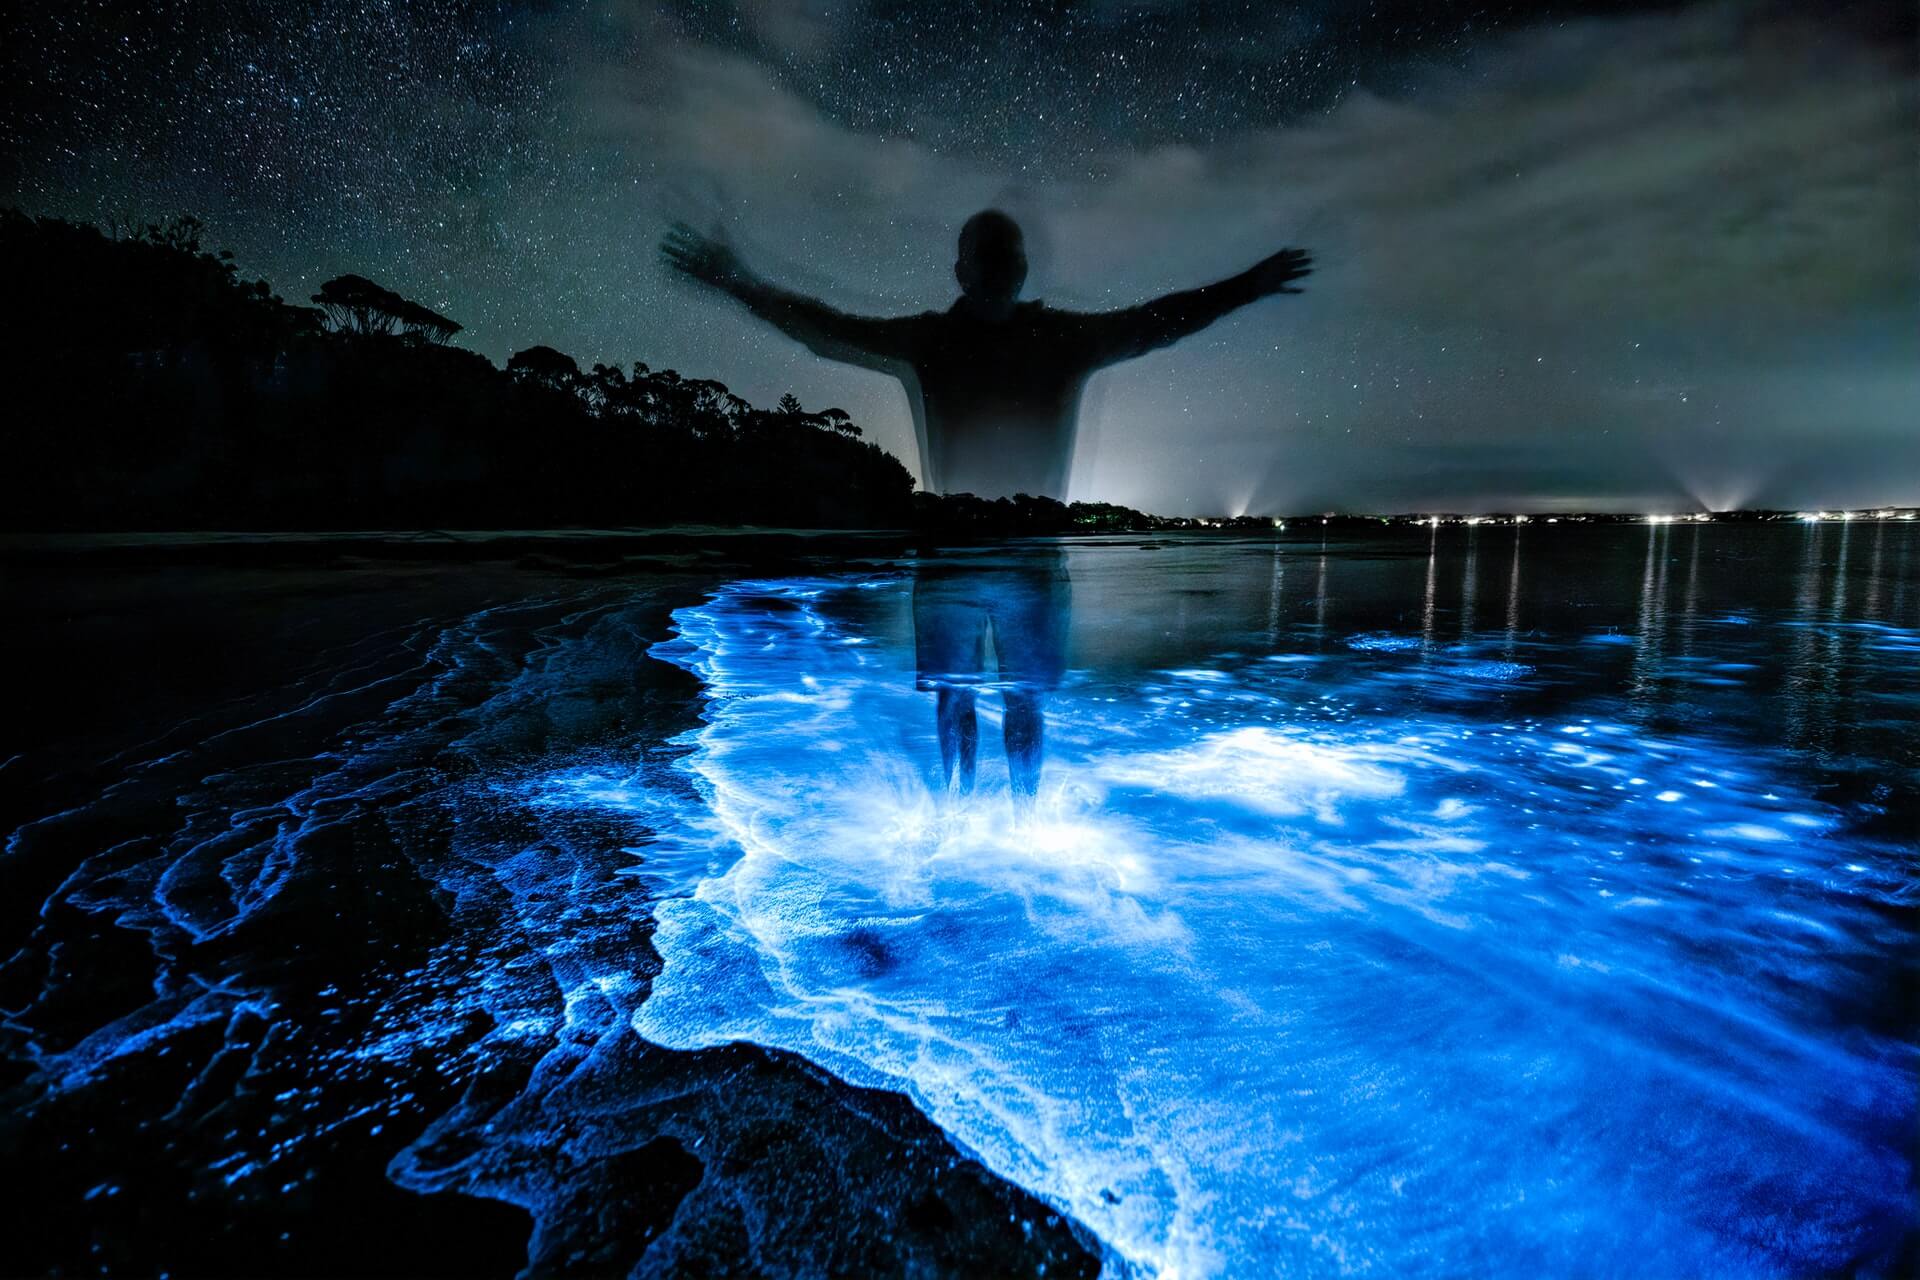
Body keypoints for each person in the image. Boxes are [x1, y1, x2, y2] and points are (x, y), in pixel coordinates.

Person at [661, 210, 1313, 800]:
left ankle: (1011, 829)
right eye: (991, 255)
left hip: (1016, 555)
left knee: (1016, 699)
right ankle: (962, 824)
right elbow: (823, 330)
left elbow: (1159, 323)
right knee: (962, 697)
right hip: (958, 551)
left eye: (1007, 256)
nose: (1001, 268)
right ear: (964, 271)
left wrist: (1245, 287)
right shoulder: (937, 341)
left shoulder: (1055, 339)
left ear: (1018, 269)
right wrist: (735, 282)